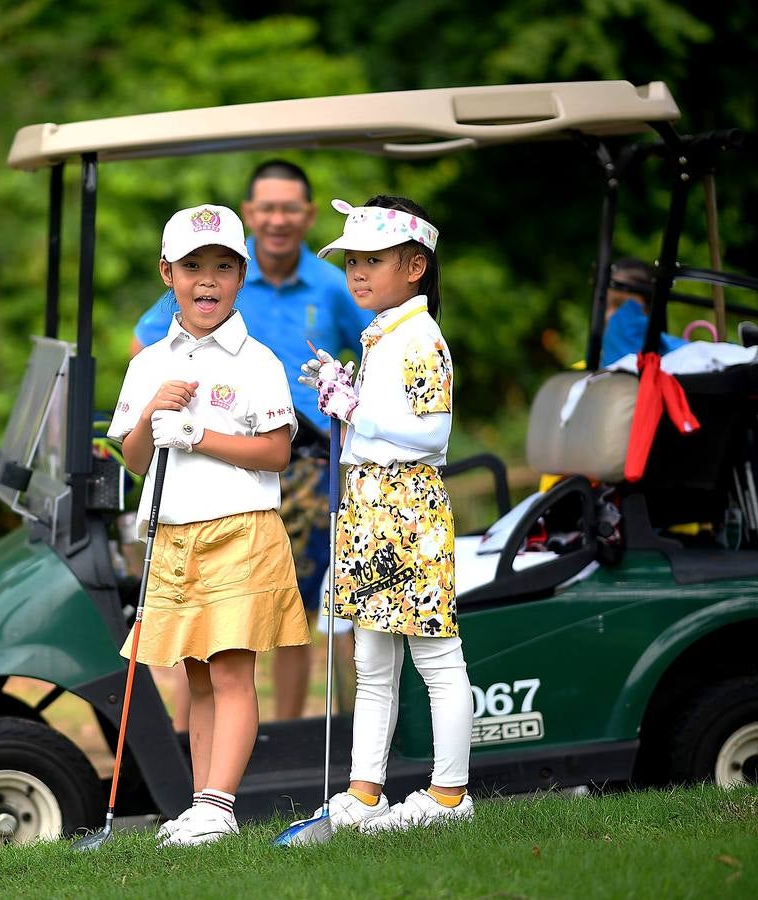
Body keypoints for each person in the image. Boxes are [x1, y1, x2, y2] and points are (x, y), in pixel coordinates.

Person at [131, 160, 370, 721]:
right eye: (267, 207)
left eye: (291, 207)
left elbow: (369, 352)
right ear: (251, 214)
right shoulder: (215, 273)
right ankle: (196, 742)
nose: (279, 219)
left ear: (308, 215)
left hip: (309, 462)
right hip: (214, 458)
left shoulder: (334, 285)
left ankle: (285, 733)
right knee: (207, 618)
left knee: (296, 608)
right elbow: (145, 343)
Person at [109, 203, 310, 846]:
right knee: (195, 672)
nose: (207, 280)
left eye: (223, 266)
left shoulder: (257, 363)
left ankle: (218, 806)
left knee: (230, 673)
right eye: (193, 266)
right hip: (174, 534)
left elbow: (278, 452)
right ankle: (202, 807)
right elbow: (135, 459)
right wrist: (152, 417)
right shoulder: (147, 366)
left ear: (241, 275)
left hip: (240, 529)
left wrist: (198, 432)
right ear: (167, 273)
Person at [299, 195, 474, 833]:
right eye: (352, 262)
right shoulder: (386, 334)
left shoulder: (421, 337)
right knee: (371, 659)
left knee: (436, 659)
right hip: (371, 507)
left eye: (374, 260)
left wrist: (354, 409)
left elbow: (432, 434)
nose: (358, 273)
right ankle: (364, 794)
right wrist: (346, 393)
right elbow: (380, 427)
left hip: (408, 509)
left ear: (415, 266)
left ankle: (450, 795)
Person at [599, 256, 685, 364]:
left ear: (649, 309)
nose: (608, 315)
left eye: (620, 306)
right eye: (604, 307)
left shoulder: (678, 356)